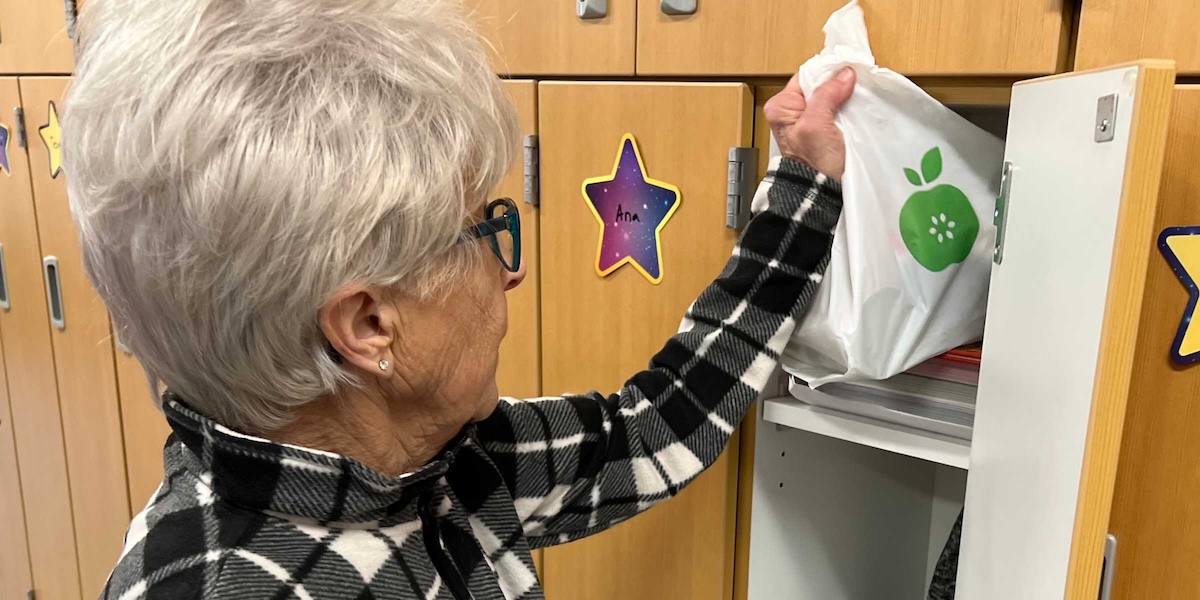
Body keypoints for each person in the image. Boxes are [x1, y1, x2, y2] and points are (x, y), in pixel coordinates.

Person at [64, 1, 855, 598]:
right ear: (371, 324)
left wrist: (801, 188)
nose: (509, 272)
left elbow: (653, 428)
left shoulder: (426, 462)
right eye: (485, 230)